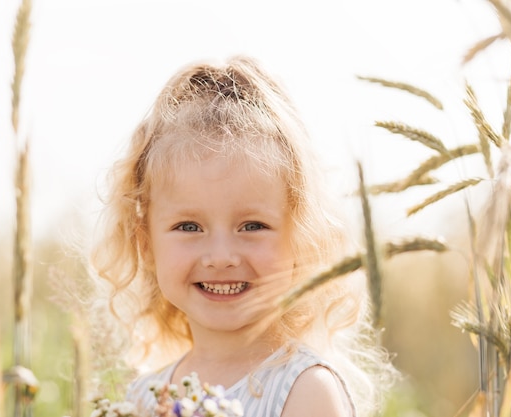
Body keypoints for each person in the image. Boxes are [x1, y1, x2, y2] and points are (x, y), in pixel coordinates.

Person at [91, 55, 397, 417]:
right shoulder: (145, 398)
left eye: (252, 226)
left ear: (301, 237)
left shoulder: (304, 391)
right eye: (189, 227)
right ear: (146, 242)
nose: (221, 256)